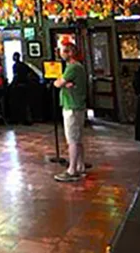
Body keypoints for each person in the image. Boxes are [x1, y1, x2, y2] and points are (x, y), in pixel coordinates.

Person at [53, 47, 88, 182]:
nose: (60, 54)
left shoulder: (72, 67)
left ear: (70, 52)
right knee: (78, 138)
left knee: (72, 140)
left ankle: (72, 170)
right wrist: (65, 83)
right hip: (77, 105)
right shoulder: (78, 67)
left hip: (72, 106)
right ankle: (80, 166)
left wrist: (61, 82)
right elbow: (63, 83)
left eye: (62, 51)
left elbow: (58, 83)